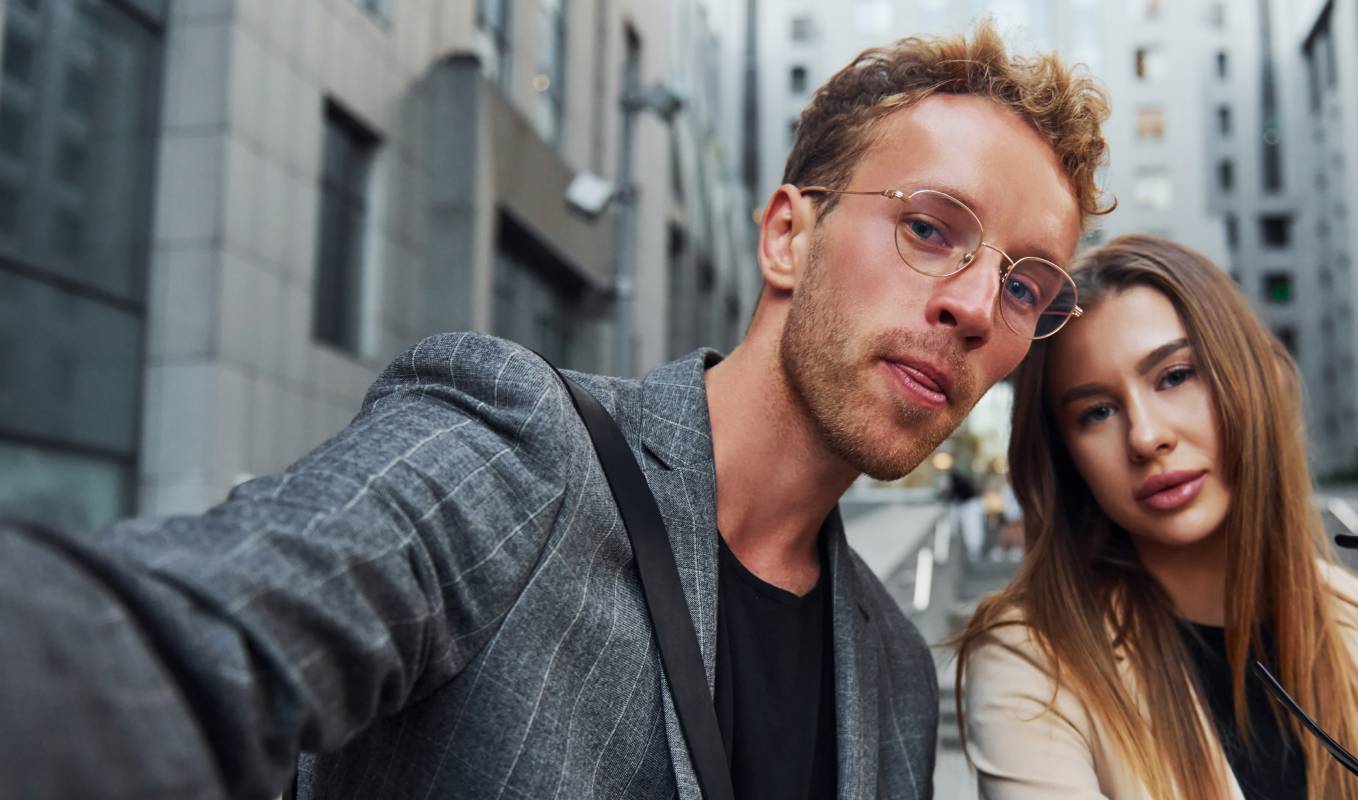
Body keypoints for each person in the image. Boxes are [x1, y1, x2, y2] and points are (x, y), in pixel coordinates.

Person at [0, 22, 1112, 800]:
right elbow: (197, 636)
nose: (974, 305)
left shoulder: (898, 673)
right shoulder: (518, 448)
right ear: (787, 234)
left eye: (1025, 285)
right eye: (930, 226)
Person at [956, 236, 1358, 800]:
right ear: (1067, 457)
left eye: (1177, 375)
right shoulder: (1033, 662)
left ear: (1259, 380)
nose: (1146, 436)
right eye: (1095, 412)